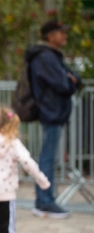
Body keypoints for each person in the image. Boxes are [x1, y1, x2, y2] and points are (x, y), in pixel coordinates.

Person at [26, 20, 82, 219]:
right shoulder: (45, 57)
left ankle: (46, 199)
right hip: (50, 112)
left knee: (48, 157)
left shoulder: (51, 56)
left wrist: (73, 79)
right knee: (47, 159)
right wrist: (72, 81)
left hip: (54, 112)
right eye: (60, 32)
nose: (64, 36)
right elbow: (64, 83)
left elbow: (74, 77)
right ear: (50, 35)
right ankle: (44, 201)